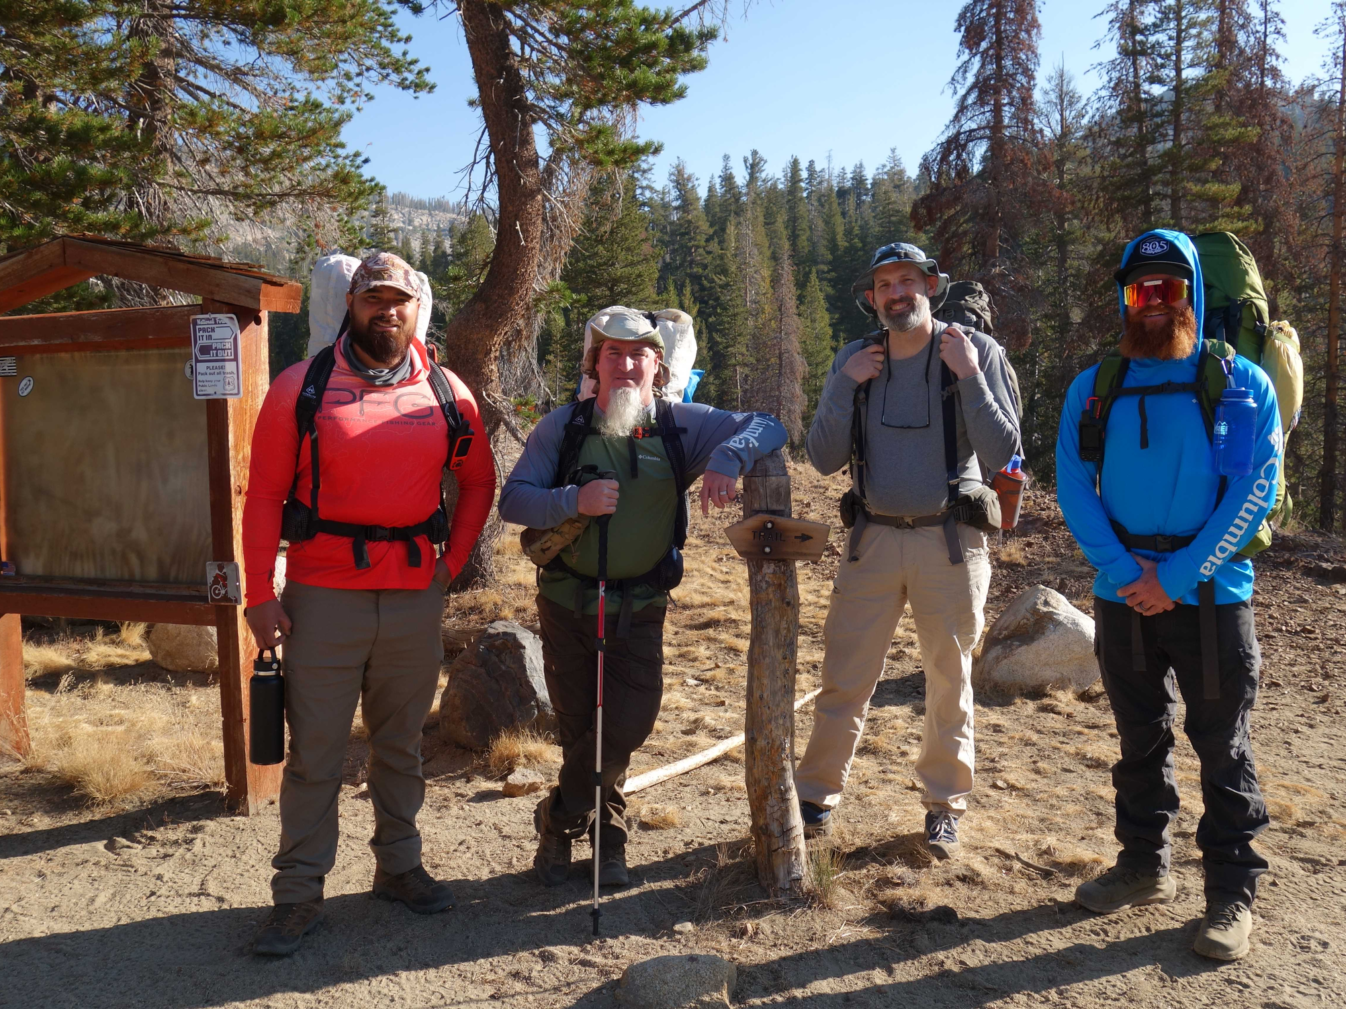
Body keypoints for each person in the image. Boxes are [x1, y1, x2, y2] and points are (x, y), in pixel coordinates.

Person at [241, 253, 497, 956]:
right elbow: (263, 494)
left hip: (415, 597)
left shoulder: (448, 392)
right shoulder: (302, 387)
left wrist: (449, 565)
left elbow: (478, 480)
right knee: (316, 751)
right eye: (372, 298)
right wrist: (259, 593)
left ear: (419, 309)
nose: (387, 310)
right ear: (351, 304)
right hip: (322, 598)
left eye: (399, 300)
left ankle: (399, 865)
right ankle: (297, 893)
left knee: (401, 744)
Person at [499, 306, 787, 887]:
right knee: (581, 728)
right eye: (613, 354)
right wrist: (571, 502)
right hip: (566, 604)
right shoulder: (562, 427)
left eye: (639, 355)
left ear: (658, 365)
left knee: (627, 724)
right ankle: (610, 841)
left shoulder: (681, 424)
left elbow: (767, 424)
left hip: (640, 607)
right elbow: (514, 502)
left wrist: (728, 457)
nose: (626, 365)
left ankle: (559, 815)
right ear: (595, 364)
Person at [1055, 229, 1280, 962]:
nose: (1153, 306)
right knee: (1138, 735)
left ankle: (1231, 893)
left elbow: (1255, 491)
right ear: (1125, 298)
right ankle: (1143, 865)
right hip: (1122, 594)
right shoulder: (1094, 387)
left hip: (1213, 594)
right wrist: (1125, 573)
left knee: (1223, 743)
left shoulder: (1241, 382)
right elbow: (1071, 485)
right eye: (1140, 291)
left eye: (1169, 290)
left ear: (1193, 296)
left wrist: (1174, 577)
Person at [795, 243, 1022, 858]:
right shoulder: (854, 360)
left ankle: (944, 807)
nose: (898, 292)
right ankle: (813, 799)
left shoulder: (976, 353)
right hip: (870, 541)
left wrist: (970, 375)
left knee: (949, 682)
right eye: (885, 284)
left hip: (951, 544)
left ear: (931, 285)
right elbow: (820, 458)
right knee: (843, 678)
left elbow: (1006, 455)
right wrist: (845, 386)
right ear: (871, 298)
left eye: (909, 280)